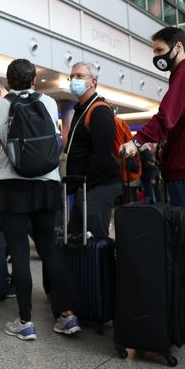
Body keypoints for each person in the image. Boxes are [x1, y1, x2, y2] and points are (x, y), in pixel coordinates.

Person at [120, 26, 185, 340]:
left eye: (158, 50)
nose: (156, 56)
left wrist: (138, 140)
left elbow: (167, 114)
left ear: (177, 47)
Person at [0, 58, 79, 340]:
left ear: (7, 82)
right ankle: (66, 315)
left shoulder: (0, 106)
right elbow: (55, 141)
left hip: (11, 187)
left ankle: (25, 321)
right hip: (46, 184)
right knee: (49, 249)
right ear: (34, 81)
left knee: (21, 253)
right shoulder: (49, 103)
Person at [65, 61, 120, 239]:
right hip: (85, 186)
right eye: (72, 76)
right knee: (76, 237)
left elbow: (102, 154)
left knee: (96, 238)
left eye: (80, 76)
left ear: (93, 82)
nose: (74, 80)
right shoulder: (81, 110)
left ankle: (103, 268)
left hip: (98, 185)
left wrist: (85, 181)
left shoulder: (99, 111)